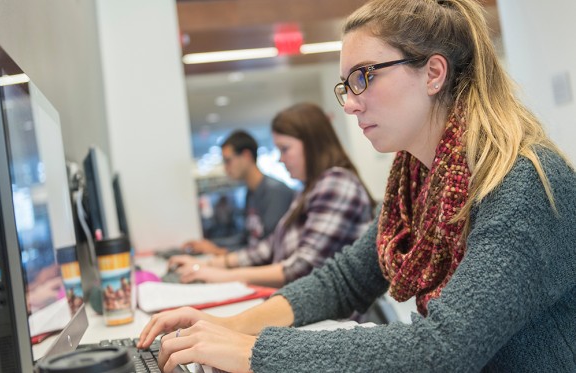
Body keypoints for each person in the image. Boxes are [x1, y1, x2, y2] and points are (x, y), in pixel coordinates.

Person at [138, 0, 576, 371]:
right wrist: (230, 325)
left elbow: (443, 351)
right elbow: (346, 280)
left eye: (364, 76)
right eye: (346, 85)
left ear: (433, 73)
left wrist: (256, 352)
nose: (349, 103)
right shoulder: (417, 181)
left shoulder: (523, 184)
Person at [169, 103, 375, 288]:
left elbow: (301, 267)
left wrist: (220, 274)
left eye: (285, 149)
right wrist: (208, 264)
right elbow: (267, 248)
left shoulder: (336, 183)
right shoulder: (310, 188)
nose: (281, 159)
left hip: (333, 319)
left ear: (312, 144)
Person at [183, 130, 294, 255]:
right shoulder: (251, 192)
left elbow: (269, 247)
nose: (226, 168)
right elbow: (246, 239)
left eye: (228, 161)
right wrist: (211, 244)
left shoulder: (275, 192)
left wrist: (220, 252)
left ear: (246, 156)